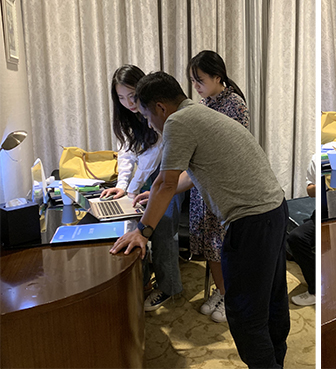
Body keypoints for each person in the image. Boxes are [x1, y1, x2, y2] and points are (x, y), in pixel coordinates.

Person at [109, 71, 289, 369]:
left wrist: (142, 231)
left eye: (147, 116)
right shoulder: (199, 114)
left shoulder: (178, 122)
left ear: (160, 108)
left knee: (245, 312)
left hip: (251, 222)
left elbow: (165, 183)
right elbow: (188, 176)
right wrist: (154, 195)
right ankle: (276, 362)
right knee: (272, 300)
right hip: (274, 209)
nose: (149, 124)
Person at [101, 65, 183, 312]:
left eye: (132, 95)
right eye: (121, 98)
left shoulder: (155, 109)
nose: (129, 103)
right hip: (145, 178)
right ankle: (143, 280)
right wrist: (122, 186)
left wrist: (131, 190)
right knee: (133, 225)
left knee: (162, 227)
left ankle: (169, 288)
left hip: (170, 173)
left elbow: (152, 157)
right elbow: (126, 154)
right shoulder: (126, 117)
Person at [187, 51, 249, 324]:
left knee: (224, 247)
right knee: (210, 245)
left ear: (217, 77)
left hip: (225, 188)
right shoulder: (203, 105)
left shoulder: (235, 105)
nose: (196, 86)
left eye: (199, 80)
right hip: (202, 187)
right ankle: (222, 291)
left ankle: (232, 297)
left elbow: (237, 151)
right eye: (193, 81)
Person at [287, 154, 316, 306]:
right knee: (296, 237)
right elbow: (310, 190)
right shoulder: (317, 158)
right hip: (321, 211)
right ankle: (315, 290)